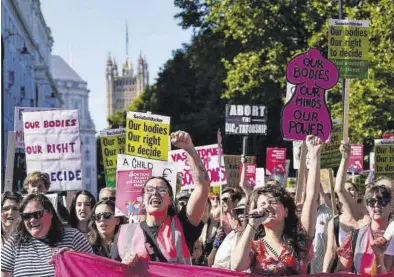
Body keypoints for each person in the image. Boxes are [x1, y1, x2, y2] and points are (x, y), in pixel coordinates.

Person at [113, 131, 210, 266]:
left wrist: (189, 148)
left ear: (170, 199)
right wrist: (123, 265)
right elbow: (111, 272)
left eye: (162, 189)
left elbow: (202, 186)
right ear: (142, 200)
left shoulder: (183, 225)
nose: (155, 193)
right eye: (150, 190)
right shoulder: (124, 234)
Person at [231, 135, 322, 275]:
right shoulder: (254, 246)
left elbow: (311, 197)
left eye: (273, 202)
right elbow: (237, 266)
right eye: (262, 204)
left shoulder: (300, 240)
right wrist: (252, 225)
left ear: (286, 211)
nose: (267, 206)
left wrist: (314, 155)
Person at [1, 193, 93, 277]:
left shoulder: (74, 237)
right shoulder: (14, 243)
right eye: (26, 216)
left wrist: (75, 259)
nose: (32, 220)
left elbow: (94, 271)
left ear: (50, 213)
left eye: (37, 214)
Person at [323, 142, 370, 273]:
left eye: (352, 189)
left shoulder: (368, 215)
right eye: (346, 190)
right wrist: (324, 273)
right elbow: (330, 252)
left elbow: (340, 188)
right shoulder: (335, 222)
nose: (348, 192)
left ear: (358, 194)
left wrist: (345, 157)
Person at [336, 185, 394, 274]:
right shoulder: (354, 237)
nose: (376, 205)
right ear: (367, 206)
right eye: (371, 202)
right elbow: (342, 271)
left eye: (382, 201)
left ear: (391, 205)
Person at [212, 197, 247, 270]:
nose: (241, 215)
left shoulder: (263, 234)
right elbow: (220, 265)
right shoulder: (232, 236)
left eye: (244, 211)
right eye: (239, 212)